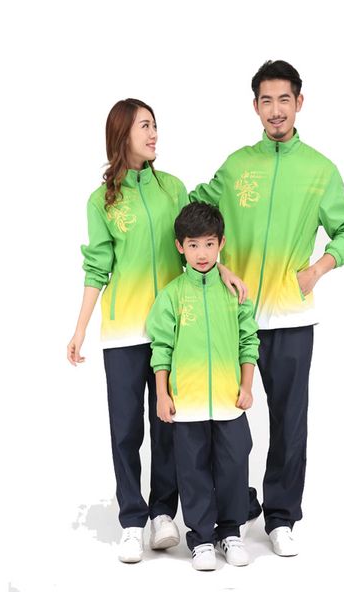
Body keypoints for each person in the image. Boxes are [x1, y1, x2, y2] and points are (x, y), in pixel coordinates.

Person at [189, 60, 344, 556]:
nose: (275, 110)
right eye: (266, 100)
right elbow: (195, 212)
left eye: (284, 99)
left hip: (291, 318)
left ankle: (281, 516)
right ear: (255, 107)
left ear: (299, 102)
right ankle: (238, 505)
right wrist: (217, 266)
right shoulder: (237, 166)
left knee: (289, 422)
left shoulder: (320, 170)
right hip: (235, 315)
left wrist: (319, 268)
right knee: (226, 422)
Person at [67, 98, 246, 563]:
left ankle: (163, 514)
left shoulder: (173, 188)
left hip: (177, 328)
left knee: (168, 424)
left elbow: (196, 241)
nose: (153, 134)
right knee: (125, 429)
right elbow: (97, 267)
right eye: (144, 126)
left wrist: (224, 270)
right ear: (122, 134)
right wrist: (80, 329)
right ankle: (132, 520)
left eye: (154, 125)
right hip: (124, 331)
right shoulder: (102, 202)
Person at [146, 202, 260, 570]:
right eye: (193, 245)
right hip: (187, 404)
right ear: (180, 246)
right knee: (192, 471)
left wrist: (247, 386)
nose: (202, 253)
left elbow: (248, 341)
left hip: (229, 402)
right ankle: (201, 538)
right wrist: (162, 394)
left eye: (209, 244)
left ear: (221, 243)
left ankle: (230, 532)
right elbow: (161, 348)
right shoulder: (173, 295)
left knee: (233, 465)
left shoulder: (234, 292)